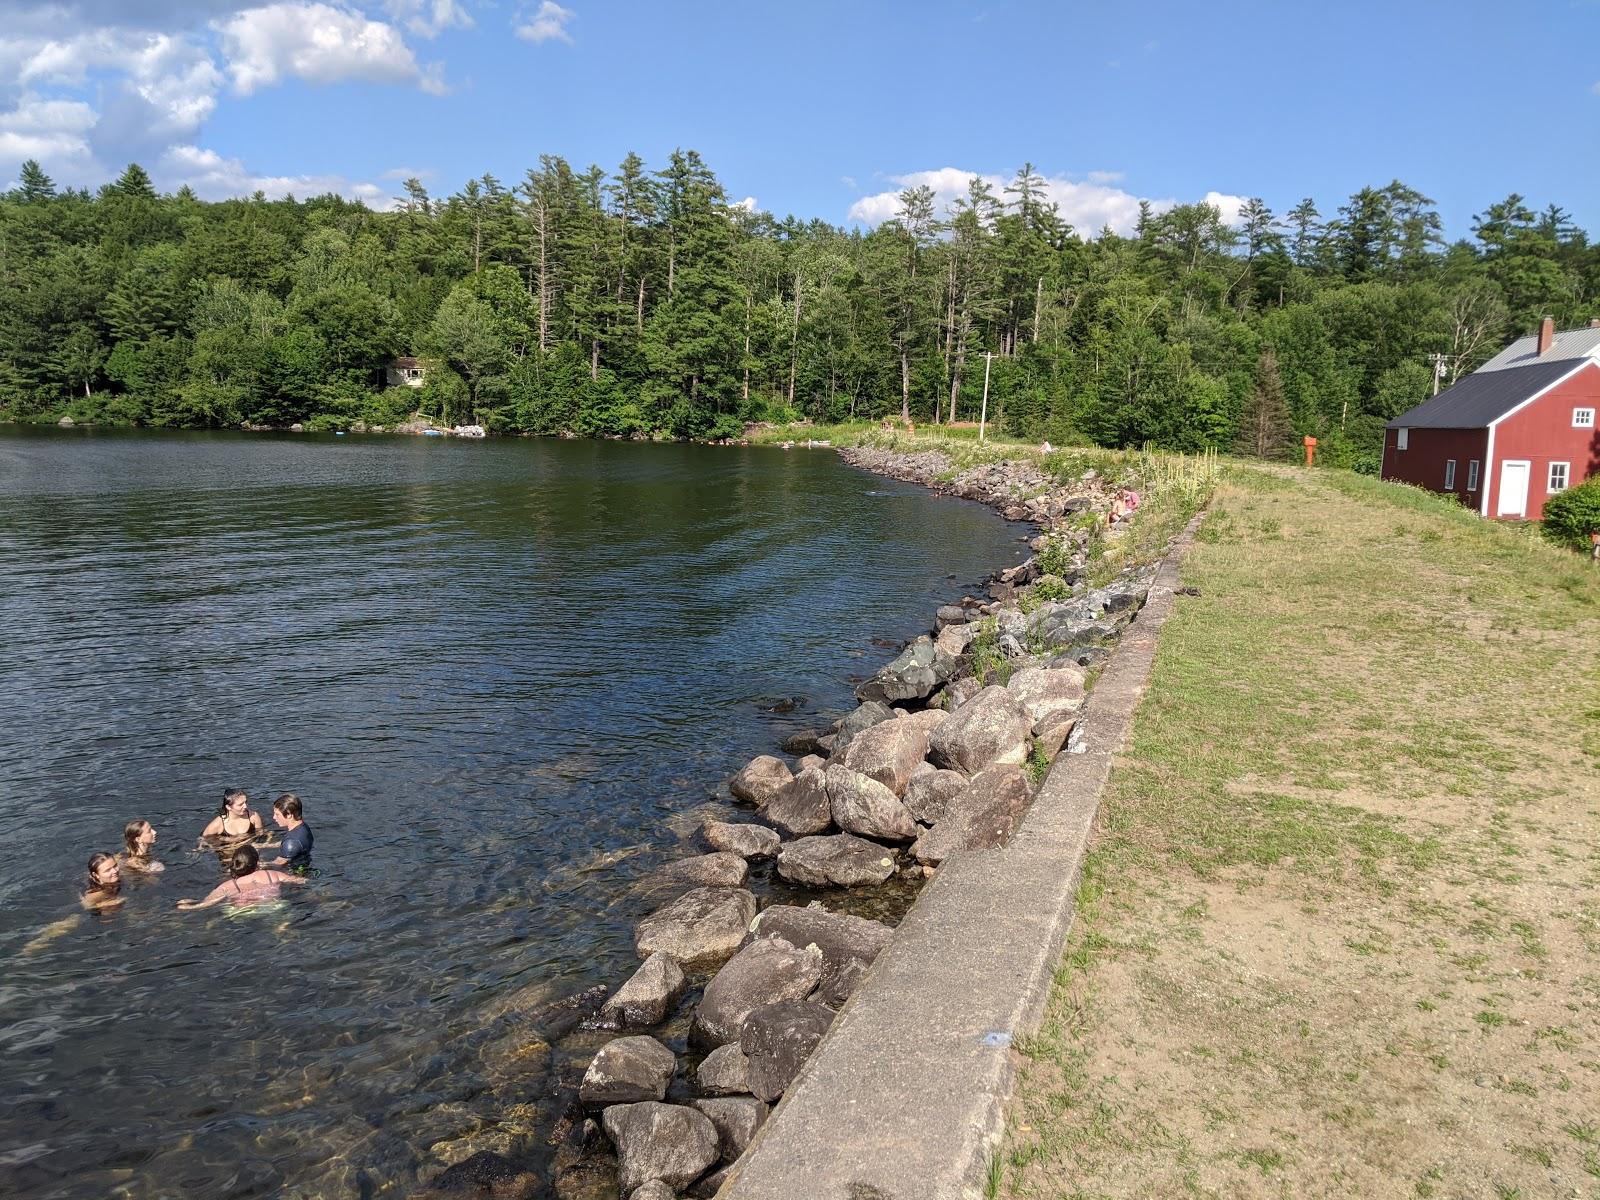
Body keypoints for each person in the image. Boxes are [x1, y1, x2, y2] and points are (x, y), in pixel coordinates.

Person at [176, 845, 306, 911]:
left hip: (242, 911)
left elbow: (207, 903)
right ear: (257, 863)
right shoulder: (269, 874)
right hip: (273, 907)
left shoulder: (227, 886)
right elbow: (300, 881)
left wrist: (191, 905)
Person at [266, 793, 313, 873]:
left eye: (277, 814)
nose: (274, 817)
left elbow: (276, 865)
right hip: (304, 865)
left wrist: (255, 864)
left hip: (292, 876)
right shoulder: (304, 827)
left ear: (288, 814)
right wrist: (265, 845)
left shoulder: (291, 843)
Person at [201, 789, 265, 846]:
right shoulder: (218, 824)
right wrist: (226, 839)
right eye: (240, 804)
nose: (245, 806)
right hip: (227, 851)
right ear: (228, 807)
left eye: (246, 802)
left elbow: (260, 835)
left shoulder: (253, 817)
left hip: (249, 849)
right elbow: (203, 840)